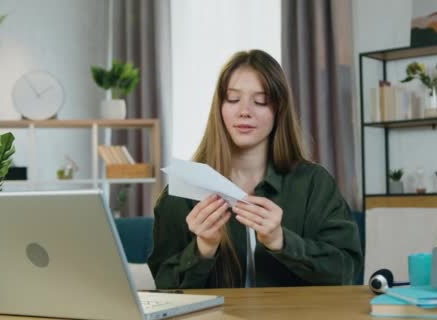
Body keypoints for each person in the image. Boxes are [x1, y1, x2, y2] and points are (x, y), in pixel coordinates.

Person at [148, 49, 362, 288]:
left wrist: (281, 241)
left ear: (279, 109)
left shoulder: (314, 183)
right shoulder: (181, 193)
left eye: (260, 100)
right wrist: (203, 248)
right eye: (232, 99)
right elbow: (163, 288)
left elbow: (347, 272)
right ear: (219, 108)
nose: (244, 111)